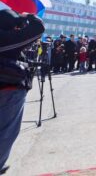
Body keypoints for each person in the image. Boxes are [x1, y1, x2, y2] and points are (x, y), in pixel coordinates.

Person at [0, 9, 45, 174]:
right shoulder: (6, 38)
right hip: (8, 89)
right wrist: (26, 16)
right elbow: (38, 28)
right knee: (6, 130)